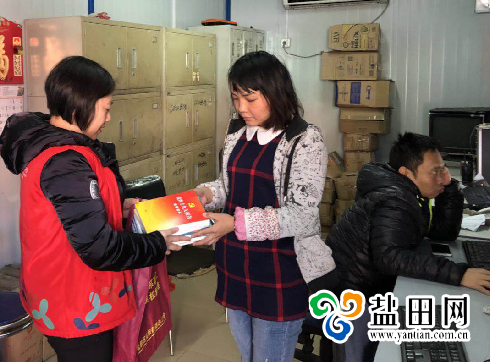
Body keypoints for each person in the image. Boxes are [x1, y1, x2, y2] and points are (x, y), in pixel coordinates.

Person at [0, 56, 183, 362]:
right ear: (78, 108)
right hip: (74, 300)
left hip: (68, 292)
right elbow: (99, 247)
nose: (109, 118)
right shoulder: (65, 161)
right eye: (106, 109)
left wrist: (117, 206)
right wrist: (157, 244)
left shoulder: (60, 147)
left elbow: (70, 211)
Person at [190, 51, 337, 362]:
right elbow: (230, 186)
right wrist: (206, 193)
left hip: (280, 267)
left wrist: (234, 223)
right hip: (235, 262)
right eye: (236, 98)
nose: (241, 108)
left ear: (275, 93)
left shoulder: (304, 140)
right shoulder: (237, 133)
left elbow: (302, 214)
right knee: (249, 355)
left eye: (250, 99)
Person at [326, 132, 490, 361]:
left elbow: (443, 233)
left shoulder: (407, 190)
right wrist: (458, 274)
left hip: (368, 282)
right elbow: (389, 257)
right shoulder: (394, 200)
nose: (442, 178)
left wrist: (450, 189)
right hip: (354, 292)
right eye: (435, 171)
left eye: (443, 169)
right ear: (406, 173)